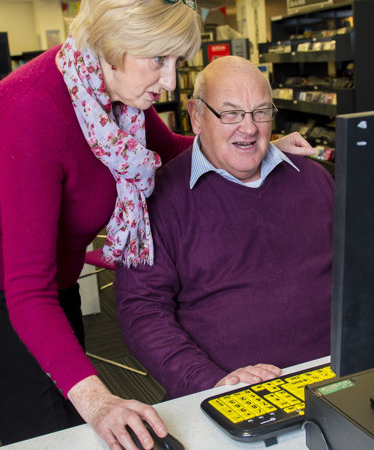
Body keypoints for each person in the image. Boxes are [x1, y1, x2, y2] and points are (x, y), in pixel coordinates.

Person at [0, 1, 312, 448]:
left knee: (70, 412)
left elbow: (174, 149)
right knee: (46, 430)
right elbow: (27, 290)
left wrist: (252, 142)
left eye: (176, 62)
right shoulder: (28, 111)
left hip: (55, 272)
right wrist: (99, 401)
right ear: (110, 45)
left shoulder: (114, 96)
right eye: (158, 60)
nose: (168, 82)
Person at [114, 55, 334, 399]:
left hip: (332, 379)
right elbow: (142, 311)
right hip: (227, 392)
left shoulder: (314, 180)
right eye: (231, 113)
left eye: (261, 112)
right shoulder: (157, 199)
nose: (249, 128)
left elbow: (362, 273)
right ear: (196, 116)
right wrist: (211, 382)